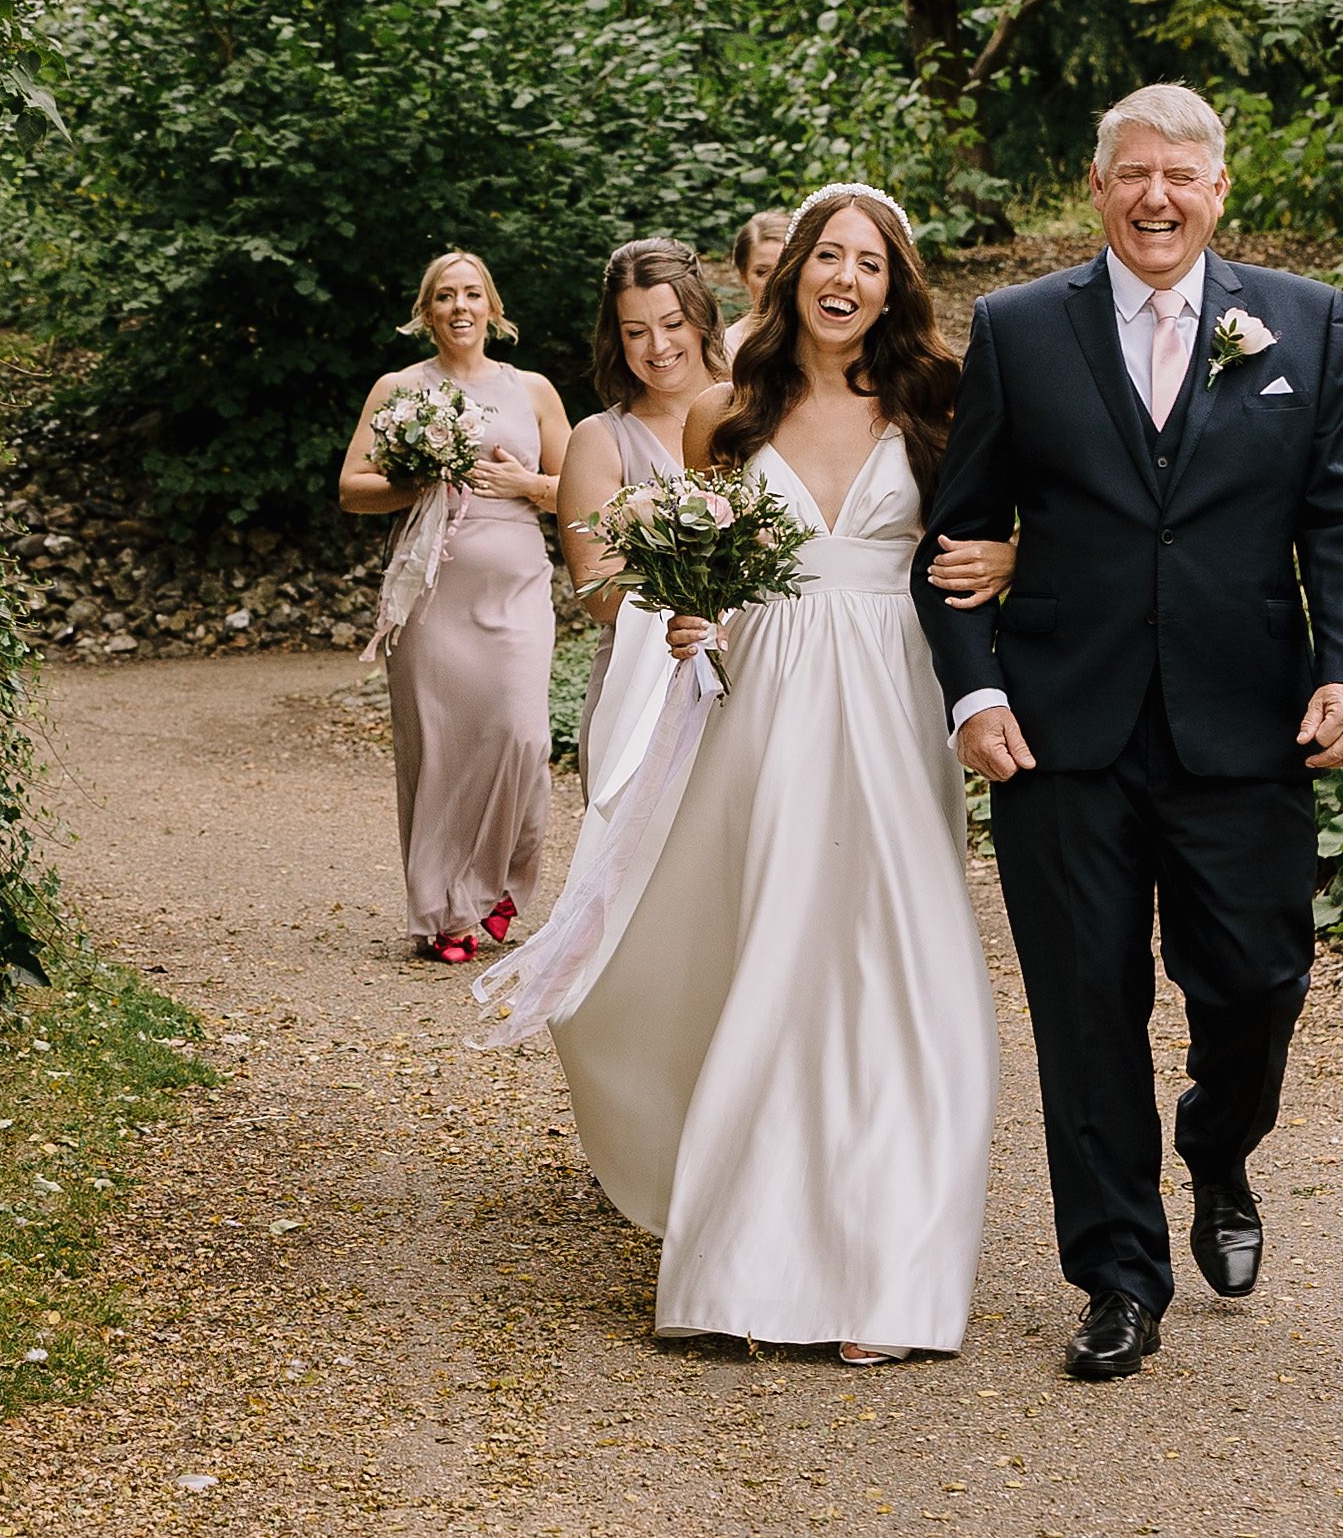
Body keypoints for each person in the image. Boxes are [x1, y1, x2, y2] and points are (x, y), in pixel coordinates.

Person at [915, 83, 1343, 1383]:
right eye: (1133, 174)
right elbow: (952, 549)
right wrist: (977, 695)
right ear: (1098, 186)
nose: (1156, 197)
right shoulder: (1019, 331)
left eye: (1180, 175)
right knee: (1085, 1012)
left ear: (1219, 191)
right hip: (1064, 737)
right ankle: (1120, 1275)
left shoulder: (1304, 323)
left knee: (1256, 986)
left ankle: (1221, 1145)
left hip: (1246, 734)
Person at [507, 187, 998, 1366]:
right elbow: (709, 570)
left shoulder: (942, 399)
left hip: (894, 688)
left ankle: (888, 1272)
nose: (842, 277)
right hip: (768, 693)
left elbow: (1006, 525)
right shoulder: (727, 411)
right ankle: (744, 1260)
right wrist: (693, 619)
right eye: (824, 255)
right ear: (788, 276)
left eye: (867, 262)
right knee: (772, 948)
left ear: (896, 284)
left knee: (896, 952)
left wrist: (1017, 554)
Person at [339, 251, 571, 964]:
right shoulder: (398, 389)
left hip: (516, 585)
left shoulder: (532, 389)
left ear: (494, 309)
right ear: (426, 311)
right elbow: (352, 487)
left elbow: (580, 488)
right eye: (445, 295)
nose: (460, 306)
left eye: (473, 294)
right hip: (433, 586)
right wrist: (418, 479)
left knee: (523, 735)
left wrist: (526, 482)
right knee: (439, 748)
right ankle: (446, 911)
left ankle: (499, 879)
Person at [554, 238, 723, 770]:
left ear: (701, 319)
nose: (658, 345)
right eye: (635, 332)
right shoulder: (601, 438)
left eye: (673, 324)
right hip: (641, 686)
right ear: (615, 338)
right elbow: (600, 595)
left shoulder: (760, 412)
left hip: (765, 670)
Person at [718, 207, 794, 357]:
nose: (775, 283)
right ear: (743, 274)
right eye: (762, 272)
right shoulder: (727, 348)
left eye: (785, 269)